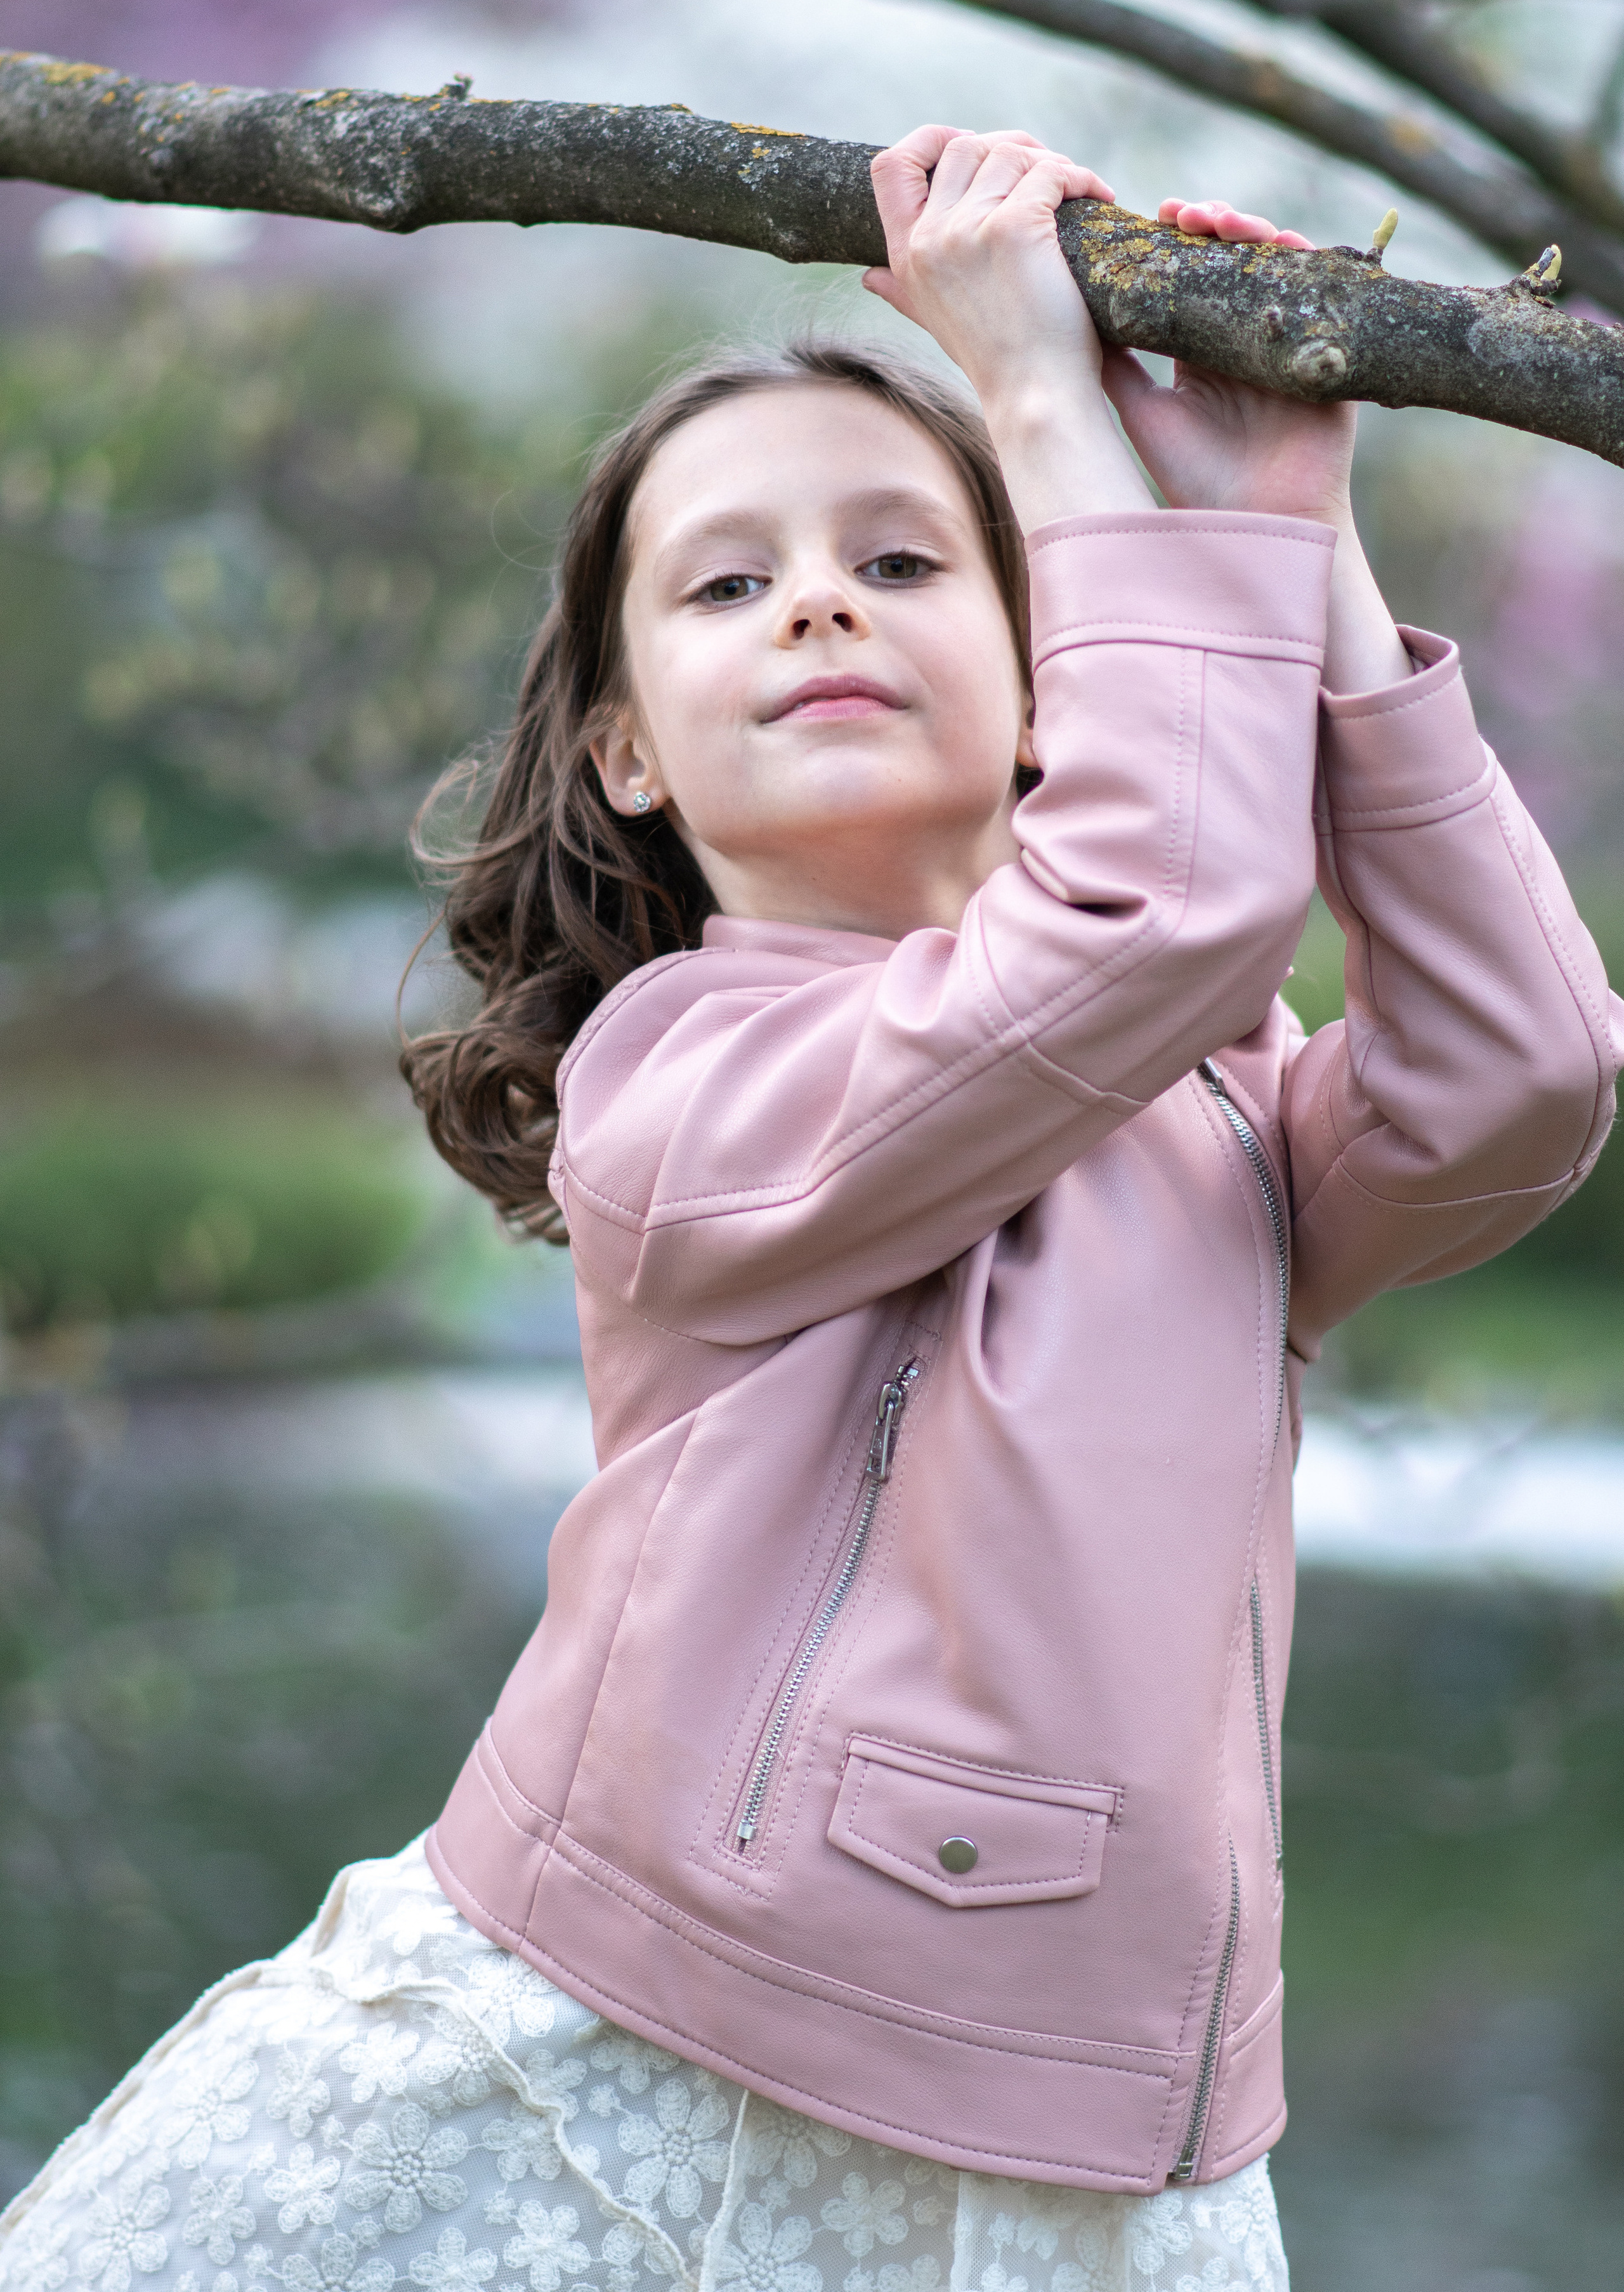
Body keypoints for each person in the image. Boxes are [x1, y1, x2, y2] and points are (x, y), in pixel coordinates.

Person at [3, 127, 1618, 2292]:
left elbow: (1523, 1069)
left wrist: (1287, 536)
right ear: (628, 755)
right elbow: (1159, 910)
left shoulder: (1216, 1123)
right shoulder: (670, 1089)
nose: (822, 603)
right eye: (727, 583)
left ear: (1064, 669)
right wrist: (1040, 399)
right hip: (632, 2037)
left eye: (904, 560)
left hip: (1103, 2128)